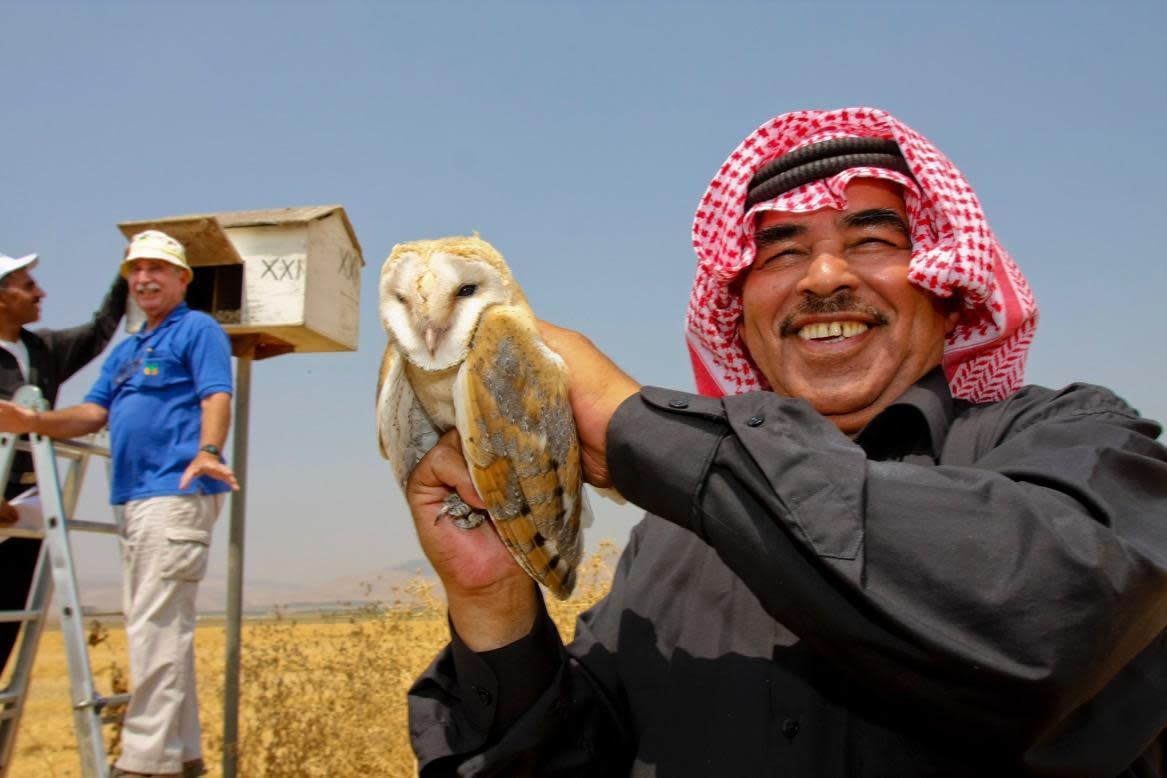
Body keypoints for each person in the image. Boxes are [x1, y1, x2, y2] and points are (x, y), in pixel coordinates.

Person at [404, 107, 1167, 775]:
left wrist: (640, 427)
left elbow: (1047, 620)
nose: (823, 276)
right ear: (737, 309)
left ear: (947, 284)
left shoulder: (1074, 442)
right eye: (781, 252)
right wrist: (494, 601)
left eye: (873, 240)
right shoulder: (674, 538)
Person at [0, 230, 239, 778]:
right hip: (132, 497)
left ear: (183, 278)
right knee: (158, 627)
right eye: (136, 270)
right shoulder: (130, 349)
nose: (145, 278)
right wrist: (35, 422)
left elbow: (216, 392)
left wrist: (207, 449)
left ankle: (142, 763)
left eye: (158, 268)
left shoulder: (197, 329)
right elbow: (91, 412)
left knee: (155, 629)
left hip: (174, 493)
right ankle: (182, 756)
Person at [0, 250, 127, 676]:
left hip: (29, 507)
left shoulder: (44, 350)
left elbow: (99, 329)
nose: (42, 293)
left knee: (7, 625)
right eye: (28, 285)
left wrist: (127, 270)